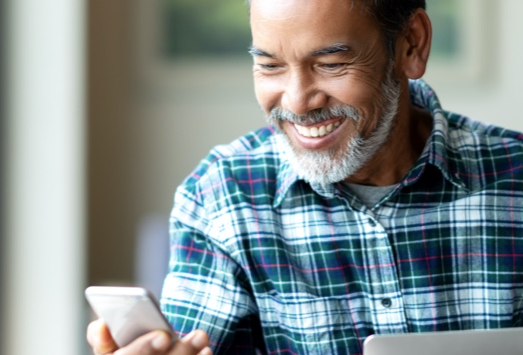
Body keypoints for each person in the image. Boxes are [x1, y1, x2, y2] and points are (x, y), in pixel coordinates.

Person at [88, 0, 523, 354]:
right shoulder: (221, 196)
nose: (297, 103)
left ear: (411, 44)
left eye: (331, 64)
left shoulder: (515, 180)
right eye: (271, 66)